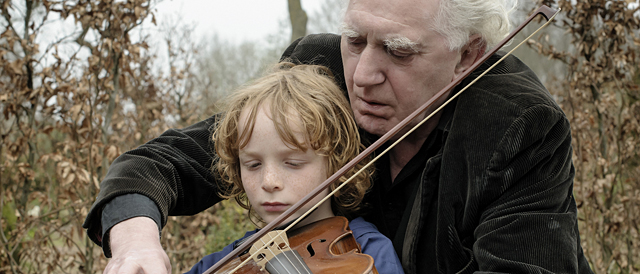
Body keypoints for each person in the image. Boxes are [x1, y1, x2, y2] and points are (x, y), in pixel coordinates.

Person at [85, 0, 595, 273]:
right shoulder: (319, 71)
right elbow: (166, 163)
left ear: (468, 55)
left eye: (397, 51)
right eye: (355, 40)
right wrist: (135, 244)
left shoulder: (521, 125)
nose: (362, 75)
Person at [184, 63, 403, 273]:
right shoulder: (225, 264)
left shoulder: (367, 251)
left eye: (292, 163)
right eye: (253, 164)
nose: (269, 181)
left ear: (337, 162)